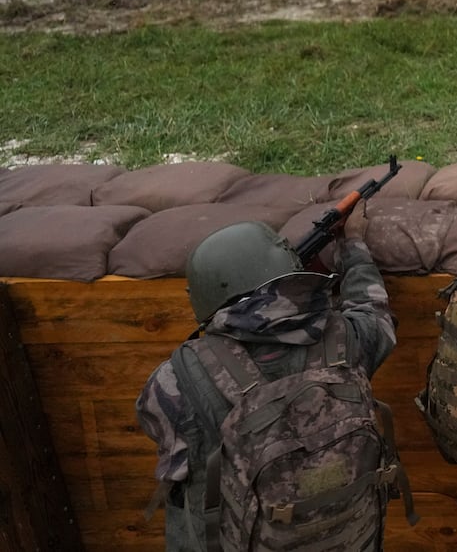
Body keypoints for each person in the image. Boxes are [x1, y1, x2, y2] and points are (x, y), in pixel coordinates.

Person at [137, 219, 400, 551]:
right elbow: (374, 310)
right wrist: (354, 244)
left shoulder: (174, 380)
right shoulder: (350, 340)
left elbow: (173, 465)